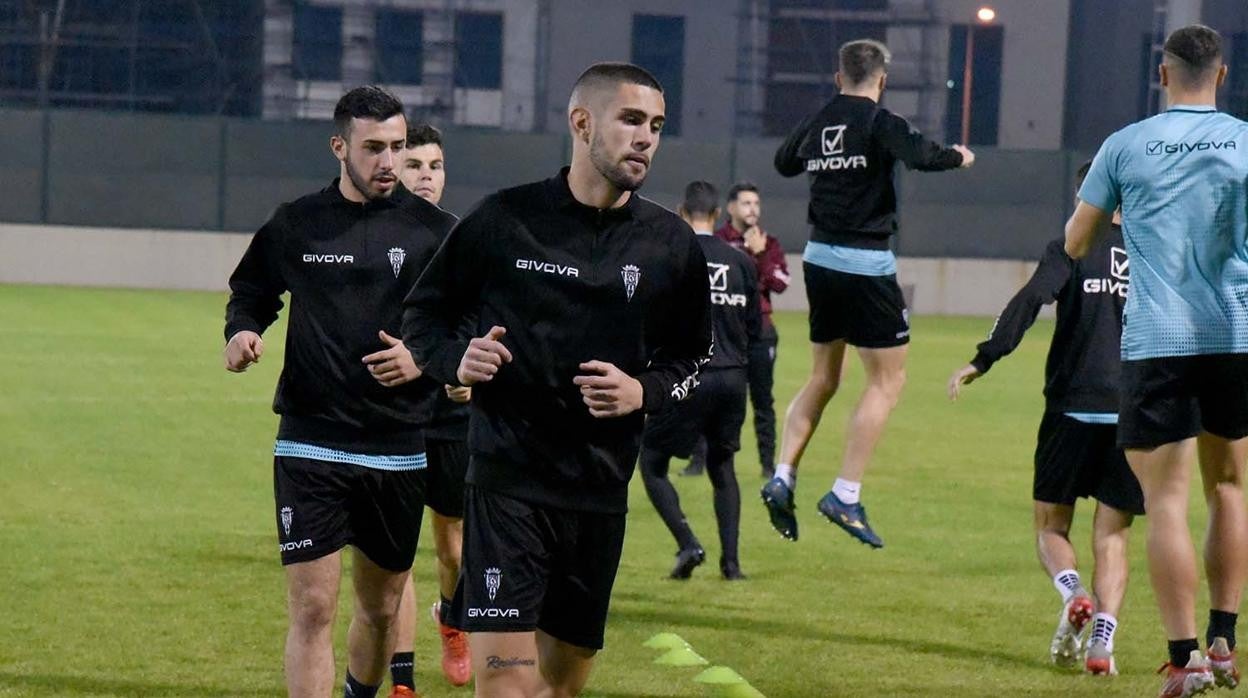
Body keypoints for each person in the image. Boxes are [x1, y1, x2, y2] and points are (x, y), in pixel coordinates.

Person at [402, 62, 712, 698]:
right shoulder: (503, 220)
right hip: (506, 485)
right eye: (630, 120)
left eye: (655, 125)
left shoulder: (671, 245)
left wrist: (643, 392)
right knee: (506, 688)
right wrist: (455, 360)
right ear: (582, 123)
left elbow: (695, 355)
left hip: (598, 495)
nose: (646, 137)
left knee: (559, 688)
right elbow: (423, 316)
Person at [223, 86, 456, 698]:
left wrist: (423, 359)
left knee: (380, 611)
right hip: (310, 442)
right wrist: (243, 331)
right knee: (311, 609)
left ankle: (359, 691)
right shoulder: (297, 221)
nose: (389, 161)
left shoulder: (437, 234)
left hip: (397, 447)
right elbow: (252, 290)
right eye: (374, 148)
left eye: (398, 148)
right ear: (339, 147)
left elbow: (469, 328)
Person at [1066, 24, 1248, 698]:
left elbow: (1079, 236)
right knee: (1229, 486)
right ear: (1222, 76)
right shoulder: (1245, 143)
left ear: (1162, 74)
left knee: (1165, 499)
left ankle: (1186, 656)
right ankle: (1226, 639)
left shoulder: (1126, 145)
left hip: (1159, 340)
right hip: (1236, 335)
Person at [762, 38, 974, 545]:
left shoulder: (821, 119)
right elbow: (922, 155)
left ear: (839, 78)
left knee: (823, 376)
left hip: (818, 259)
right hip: (865, 263)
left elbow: (783, 162)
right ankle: (846, 494)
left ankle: (783, 474)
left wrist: (823, 126)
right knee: (887, 381)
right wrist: (959, 157)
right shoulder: (880, 121)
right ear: (881, 79)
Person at [948, 161, 1143, 674]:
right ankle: (1103, 642)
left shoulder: (1071, 247)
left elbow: (1031, 298)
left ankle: (1072, 591)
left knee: (1051, 527)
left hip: (1071, 408)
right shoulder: (1153, 251)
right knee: (1114, 536)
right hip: (1133, 414)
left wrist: (984, 357)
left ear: (1086, 197)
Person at [641, 180, 762, 581]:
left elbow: (653, 324)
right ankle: (732, 565)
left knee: (652, 463)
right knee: (723, 466)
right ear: (715, 215)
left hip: (689, 377)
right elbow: (754, 330)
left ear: (680, 212)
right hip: (732, 380)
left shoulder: (671, 259)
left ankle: (688, 542)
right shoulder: (741, 262)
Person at [389, 123, 472, 695]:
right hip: (391, 418)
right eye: (415, 164)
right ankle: (401, 681)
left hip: (449, 418)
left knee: (453, 545)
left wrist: (462, 370)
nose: (426, 175)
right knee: (393, 556)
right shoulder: (374, 234)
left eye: (435, 165)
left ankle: (451, 617)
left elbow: (475, 318)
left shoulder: (463, 240)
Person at [681, 182, 788, 480]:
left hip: (760, 333)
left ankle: (768, 465)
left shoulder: (770, 244)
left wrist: (761, 255)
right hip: (721, 330)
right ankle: (697, 461)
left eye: (756, 203)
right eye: (745, 203)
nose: (752, 209)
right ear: (728, 209)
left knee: (763, 400)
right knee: (706, 395)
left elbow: (779, 283)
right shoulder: (716, 243)